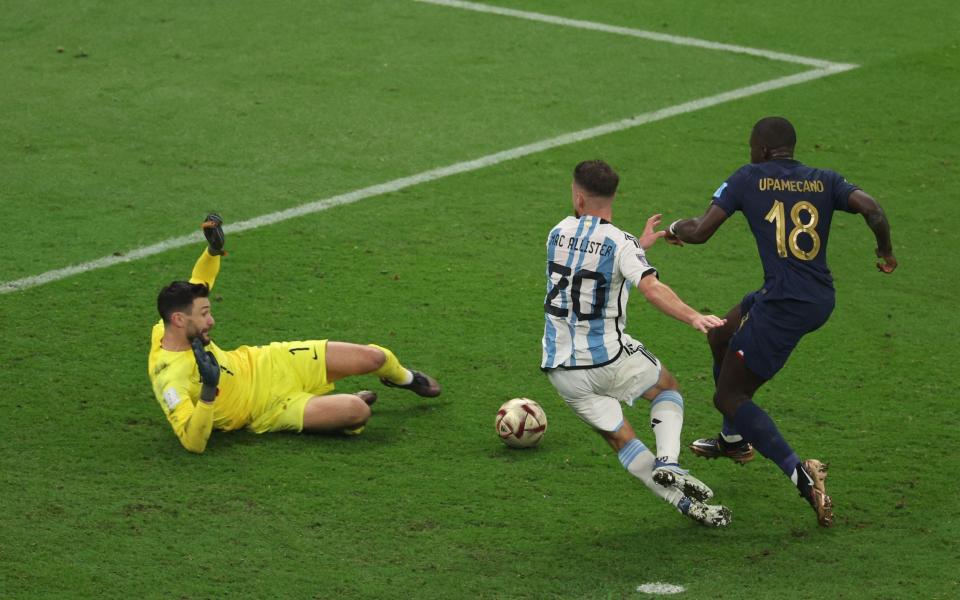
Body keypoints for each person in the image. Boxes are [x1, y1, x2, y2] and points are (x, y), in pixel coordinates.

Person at [665, 116, 896, 527]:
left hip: (785, 305)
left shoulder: (748, 177)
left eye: (752, 145)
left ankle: (802, 476)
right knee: (720, 333)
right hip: (813, 294)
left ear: (764, 150)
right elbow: (872, 208)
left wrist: (672, 228)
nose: (750, 152)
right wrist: (885, 251)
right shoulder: (823, 179)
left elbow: (699, 232)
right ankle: (733, 440)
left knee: (730, 396)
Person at [148, 214, 441, 453]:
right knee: (357, 411)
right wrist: (209, 391)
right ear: (178, 319)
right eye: (204, 315)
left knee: (374, 357)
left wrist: (212, 251)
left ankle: (406, 378)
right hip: (268, 407)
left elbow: (201, 279)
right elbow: (192, 442)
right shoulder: (169, 377)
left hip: (269, 361)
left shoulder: (171, 324)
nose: (211, 320)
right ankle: (337, 406)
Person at [541, 160, 731, 527]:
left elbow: (592, 279)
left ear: (578, 197)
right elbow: (650, 288)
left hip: (562, 371)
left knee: (623, 441)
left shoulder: (555, 233)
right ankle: (670, 462)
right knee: (666, 389)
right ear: (612, 197)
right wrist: (693, 316)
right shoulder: (620, 243)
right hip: (607, 359)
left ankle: (689, 506)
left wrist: (637, 250)